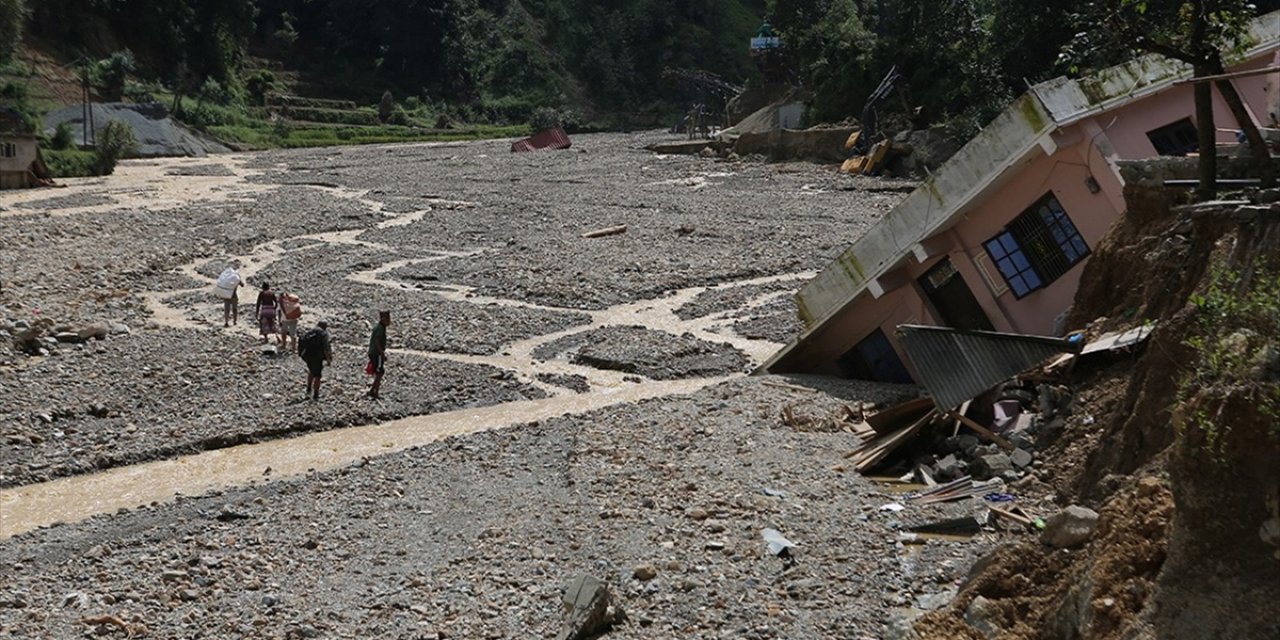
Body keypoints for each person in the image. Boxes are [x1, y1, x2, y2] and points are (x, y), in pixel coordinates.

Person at [298, 321, 332, 401]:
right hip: (317, 357)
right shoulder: (323, 334)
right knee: (318, 375)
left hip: (307, 355)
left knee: (312, 370)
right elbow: (326, 349)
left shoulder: (310, 332)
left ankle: (309, 388)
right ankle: (316, 395)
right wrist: (328, 360)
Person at [366, 310, 390, 400]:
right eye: (388, 319)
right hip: (376, 353)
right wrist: (382, 353)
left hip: (374, 352)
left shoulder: (380, 327)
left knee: (379, 372)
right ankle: (374, 392)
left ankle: (373, 390)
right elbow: (376, 341)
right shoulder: (380, 328)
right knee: (380, 372)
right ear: (383, 319)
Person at [213, 262, 244, 328]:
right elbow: (242, 285)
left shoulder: (226, 278)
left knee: (227, 309)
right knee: (234, 309)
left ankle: (226, 322)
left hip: (226, 295)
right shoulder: (236, 278)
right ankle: (235, 322)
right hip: (233, 295)